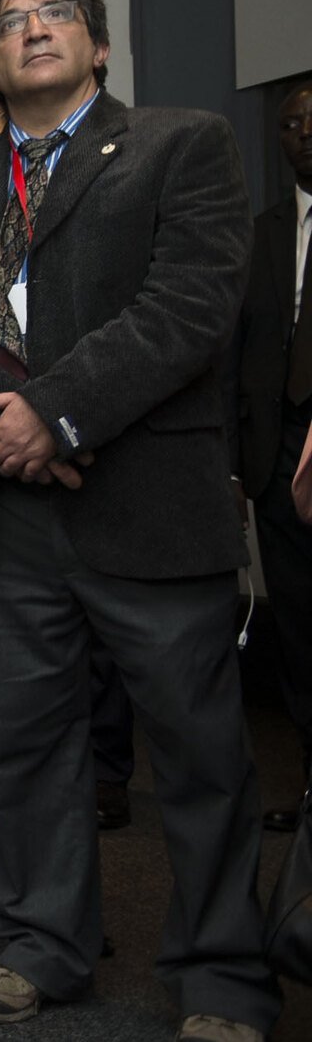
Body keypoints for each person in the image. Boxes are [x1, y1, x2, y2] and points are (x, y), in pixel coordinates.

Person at [0, 0, 278, 1040]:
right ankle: (43, 945)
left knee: (197, 754)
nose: (30, 29)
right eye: (7, 22)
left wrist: (52, 412)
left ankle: (219, 977)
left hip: (145, 495)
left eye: (54, 13)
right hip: (1, 513)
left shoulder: (178, 144)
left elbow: (189, 305)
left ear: (96, 44)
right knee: (25, 745)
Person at [236, 77, 312, 832]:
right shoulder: (259, 233)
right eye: (292, 124)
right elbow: (237, 355)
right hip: (273, 453)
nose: (304, 133)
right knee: (298, 626)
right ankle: (310, 783)